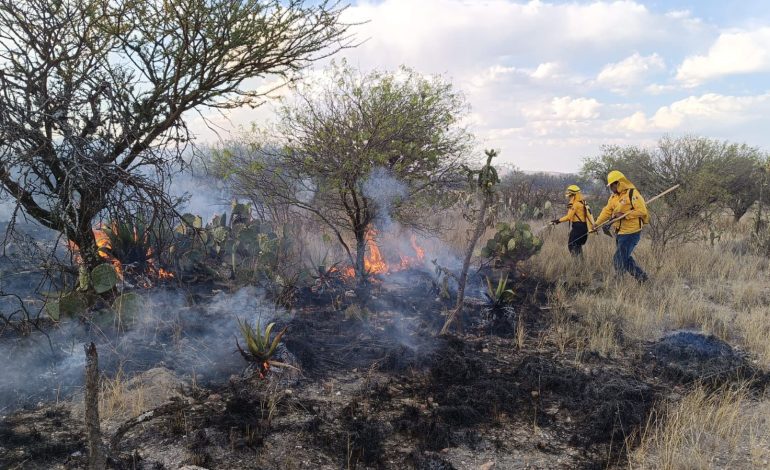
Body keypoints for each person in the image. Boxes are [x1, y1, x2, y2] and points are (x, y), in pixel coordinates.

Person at [592, 170, 649, 282]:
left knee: (618, 258)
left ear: (618, 183)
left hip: (631, 232)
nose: (610, 188)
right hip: (620, 232)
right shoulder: (613, 197)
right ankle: (642, 277)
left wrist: (624, 215)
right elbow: (607, 211)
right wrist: (597, 223)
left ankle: (619, 282)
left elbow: (642, 211)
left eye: (611, 185)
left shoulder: (633, 194)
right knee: (624, 258)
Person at [550, 185, 595, 256]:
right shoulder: (582, 202)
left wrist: (557, 221)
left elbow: (569, 217)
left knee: (571, 245)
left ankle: (576, 261)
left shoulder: (575, 204)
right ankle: (580, 261)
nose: (569, 197)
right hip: (584, 228)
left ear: (574, 195)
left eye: (570, 195)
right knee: (577, 246)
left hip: (578, 228)